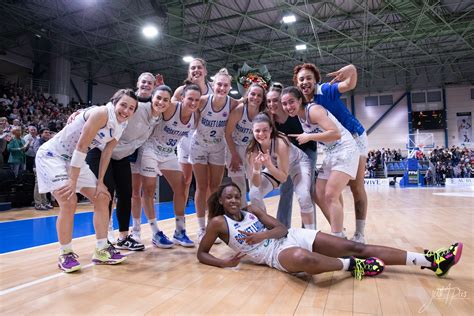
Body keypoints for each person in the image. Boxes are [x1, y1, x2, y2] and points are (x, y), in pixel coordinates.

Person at [197, 183, 463, 280]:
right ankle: (353, 267)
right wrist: (223, 262)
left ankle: (430, 261)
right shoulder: (219, 223)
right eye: (228, 197)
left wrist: (261, 234)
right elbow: (201, 253)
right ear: (221, 201)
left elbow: (281, 229)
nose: (233, 200)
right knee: (303, 260)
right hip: (274, 255)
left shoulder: (252, 210)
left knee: (355, 245)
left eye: (236, 196)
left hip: (289, 237)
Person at [35, 88, 137, 273]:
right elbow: (82, 145)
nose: (126, 110)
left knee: (103, 197)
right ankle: (65, 254)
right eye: (123, 105)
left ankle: (101, 249)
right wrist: (72, 181)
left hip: (76, 160)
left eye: (131, 108)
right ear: (114, 102)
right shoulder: (100, 113)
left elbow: (106, 153)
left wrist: (100, 181)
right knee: (69, 200)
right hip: (54, 155)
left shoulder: (122, 125)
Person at [86, 72, 161, 251]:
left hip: (121, 156)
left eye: (150, 83)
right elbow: (104, 109)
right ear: (137, 83)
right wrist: (82, 111)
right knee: (106, 194)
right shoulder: (126, 102)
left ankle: (124, 237)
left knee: (126, 194)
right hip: (101, 152)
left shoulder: (153, 110)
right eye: (143, 81)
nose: (146, 85)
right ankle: (106, 236)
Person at [294, 63, 368, 243]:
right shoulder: (300, 104)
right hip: (332, 147)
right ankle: (339, 231)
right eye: (301, 79)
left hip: (354, 137)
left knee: (356, 186)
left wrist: (351, 69)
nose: (305, 82)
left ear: (316, 80)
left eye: (308, 78)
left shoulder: (325, 90)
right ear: (297, 83)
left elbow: (349, 85)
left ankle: (359, 234)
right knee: (323, 193)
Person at [281, 87, 358, 239]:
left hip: (345, 149)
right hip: (331, 152)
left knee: (330, 195)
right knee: (317, 193)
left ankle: (337, 238)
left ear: (300, 100)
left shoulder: (313, 110)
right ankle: (340, 232)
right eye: (284, 104)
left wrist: (309, 137)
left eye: (291, 102)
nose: (288, 106)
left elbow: (335, 133)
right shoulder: (299, 116)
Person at [138, 84, 202, 248]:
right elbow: (148, 104)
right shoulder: (171, 107)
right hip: (150, 149)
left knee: (181, 187)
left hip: (168, 153)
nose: (193, 103)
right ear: (182, 98)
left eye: (196, 100)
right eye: (190, 99)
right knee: (149, 190)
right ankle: (155, 232)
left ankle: (179, 231)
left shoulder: (196, 117)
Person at [190, 68, 239, 241]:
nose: (222, 88)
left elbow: (249, 102)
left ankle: (213, 223)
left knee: (215, 188)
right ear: (213, 85)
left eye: (226, 85)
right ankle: (201, 227)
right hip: (199, 146)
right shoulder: (202, 101)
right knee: (201, 187)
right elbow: (185, 103)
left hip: (218, 147)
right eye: (219, 84)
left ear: (229, 86)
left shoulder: (232, 104)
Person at [246, 112, 315, 229]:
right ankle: (267, 229)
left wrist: (269, 165)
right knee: (254, 193)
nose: (261, 134)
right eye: (257, 131)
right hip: (276, 167)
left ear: (271, 130)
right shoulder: (252, 150)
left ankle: (311, 234)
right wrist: (257, 170)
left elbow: (283, 178)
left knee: (303, 195)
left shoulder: (280, 143)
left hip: (298, 163)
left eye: (265, 130)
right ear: (252, 131)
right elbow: (256, 183)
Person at [266, 83, 317, 229]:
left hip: (307, 151)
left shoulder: (294, 114)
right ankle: (282, 228)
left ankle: (308, 230)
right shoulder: (271, 120)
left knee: (306, 190)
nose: (272, 104)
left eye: (276, 100)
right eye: (269, 101)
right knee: (285, 189)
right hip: (288, 156)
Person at [225, 83, 266, 207]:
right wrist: (234, 155)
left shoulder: (263, 114)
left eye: (259, 95)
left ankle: (260, 213)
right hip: (234, 146)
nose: (255, 97)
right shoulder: (239, 110)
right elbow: (227, 134)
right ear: (247, 95)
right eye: (253, 94)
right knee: (239, 185)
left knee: (255, 183)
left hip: (251, 148)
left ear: (262, 99)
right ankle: (242, 214)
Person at [32, 128, 53, 210]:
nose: (48, 134)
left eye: (49, 132)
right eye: (45, 132)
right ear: (41, 134)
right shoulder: (38, 141)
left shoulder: (49, 142)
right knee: (38, 184)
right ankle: (38, 203)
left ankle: (44, 202)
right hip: (38, 165)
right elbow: (36, 152)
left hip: (46, 165)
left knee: (45, 184)